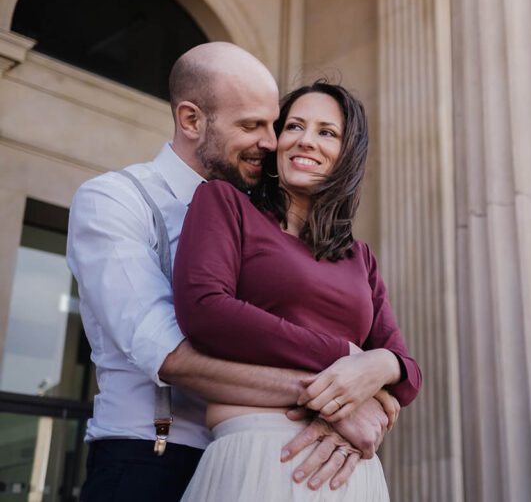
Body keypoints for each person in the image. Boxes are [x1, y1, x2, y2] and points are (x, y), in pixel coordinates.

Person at [67, 43, 394, 501]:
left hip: (262, 457)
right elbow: (172, 356)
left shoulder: (264, 220)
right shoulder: (115, 201)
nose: (271, 140)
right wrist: (339, 394)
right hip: (151, 459)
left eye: (272, 124)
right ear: (191, 121)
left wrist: (379, 369)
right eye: (251, 126)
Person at [172, 81, 421, 500]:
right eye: (294, 126)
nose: (306, 141)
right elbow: (206, 311)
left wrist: (384, 366)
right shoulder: (226, 205)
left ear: (348, 154)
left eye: (327, 132)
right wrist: (349, 360)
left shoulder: (358, 256)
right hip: (259, 455)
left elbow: (407, 375)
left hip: (349, 471)